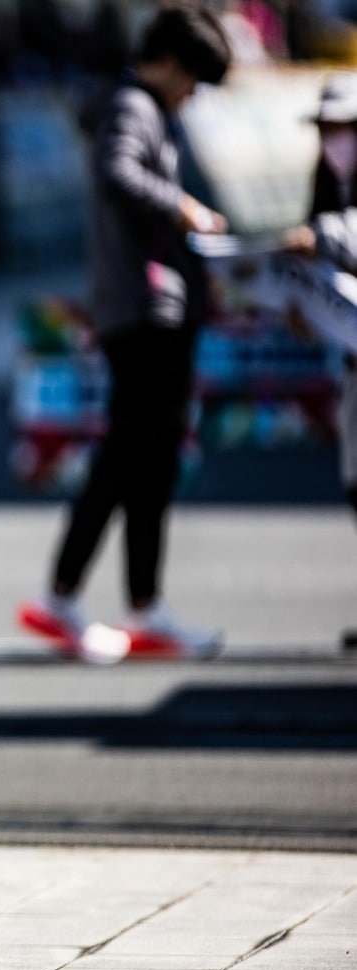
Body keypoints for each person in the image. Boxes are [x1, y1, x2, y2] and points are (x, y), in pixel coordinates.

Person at [17, 3, 232, 662]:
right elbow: (118, 175)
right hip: (143, 309)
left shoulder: (131, 105)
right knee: (135, 458)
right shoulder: (134, 107)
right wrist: (185, 208)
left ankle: (136, 603)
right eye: (191, 79)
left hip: (144, 307)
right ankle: (77, 597)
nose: (191, 95)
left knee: (147, 461)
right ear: (166, 62)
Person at [281, 71, 357, 649]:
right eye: (327, 128)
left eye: (345, 127)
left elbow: (333, 240)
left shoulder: (332, 215)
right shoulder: (326, 185)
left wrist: (324, 236)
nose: (334, 139)